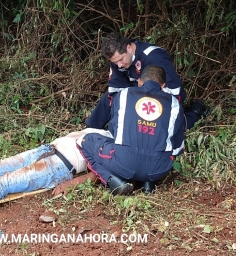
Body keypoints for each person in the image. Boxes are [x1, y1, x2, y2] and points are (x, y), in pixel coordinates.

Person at [78, 65, 185, 194]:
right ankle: (148, 183)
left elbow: (114, 132)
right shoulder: (174, 104)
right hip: (158, 169)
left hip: (123, 163)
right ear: (162, 85)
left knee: (85, 141)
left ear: (139, 81)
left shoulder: (124, 94)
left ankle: (113, 180)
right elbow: (177, 148)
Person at [86, 32, 210, 131]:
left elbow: (173, 91)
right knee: (107, 99)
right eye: (115, 62)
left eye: (121, 60)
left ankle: (195, 112)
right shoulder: (118, 62)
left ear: (128, 48)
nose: (119, 65)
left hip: (160, 96)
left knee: (167, 128)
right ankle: (89, 131)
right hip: (136, 95)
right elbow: (115, 90)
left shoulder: (155, 57)